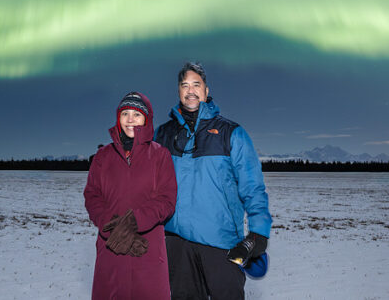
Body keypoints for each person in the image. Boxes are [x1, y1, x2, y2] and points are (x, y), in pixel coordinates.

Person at [154, 62, 271, 300]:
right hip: (176, 243)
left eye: (196, 84)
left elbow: (253, 186)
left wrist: (259, 231)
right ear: (178, 91)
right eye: (184, 85)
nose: (190, 91)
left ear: (206, 91)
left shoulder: (231, 132)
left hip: (221, 242)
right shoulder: (163, 134)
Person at [84, 91, 177, 300]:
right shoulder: (102, 157)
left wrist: (134, 221)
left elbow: (167, 200)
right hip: (111, 248)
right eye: (124, 113)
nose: (130, 120)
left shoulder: (160, 155)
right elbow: (92, 196)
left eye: (136, 114)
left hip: (147, 249)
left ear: (147, 119)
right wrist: (112, 226)